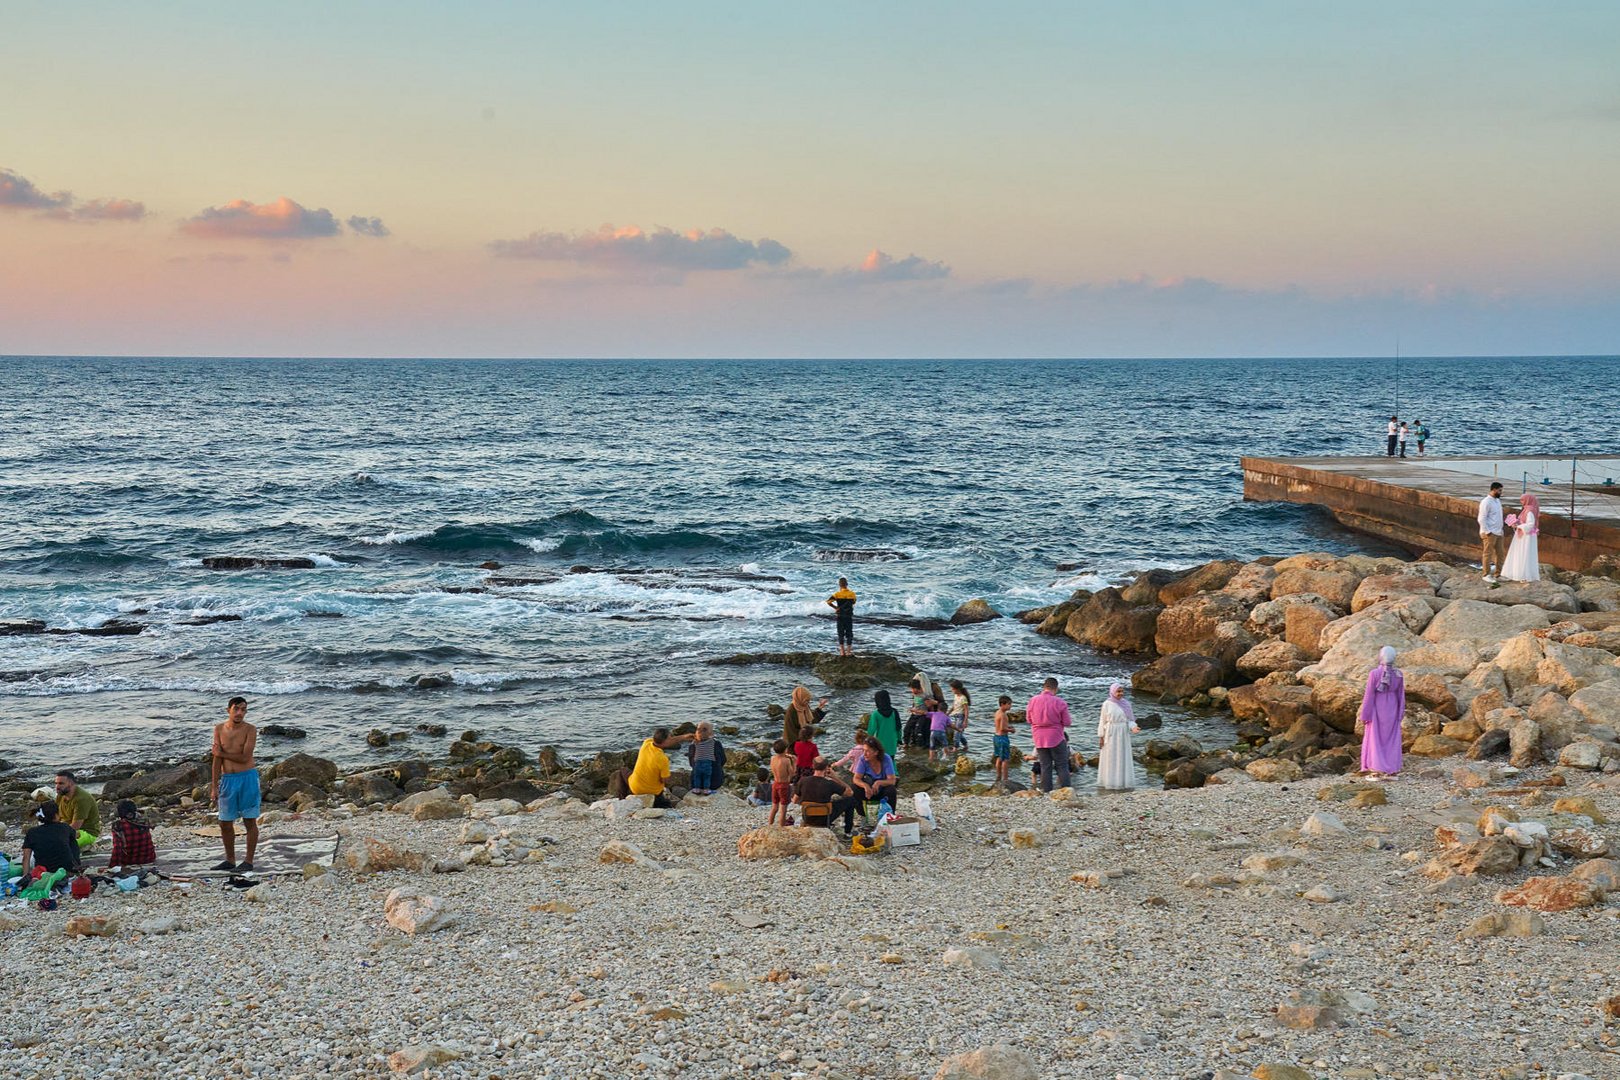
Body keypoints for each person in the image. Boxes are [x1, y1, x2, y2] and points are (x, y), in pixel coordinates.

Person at [211, 696, 260, 871]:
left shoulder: (250, 730)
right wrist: (214, 786)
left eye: (243, 709)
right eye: (236, 709)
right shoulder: (218, 729)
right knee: (224, 822)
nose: (240, 713)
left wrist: (221, 754)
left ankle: (248, 861)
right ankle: (230, 860)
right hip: (227, 781)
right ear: (228, 710)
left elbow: (245, 757)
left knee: (249, 820)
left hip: (247, 778)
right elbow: (216, 760)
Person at [1358, 646, 1405, 779]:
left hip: (1377, 707)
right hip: (1393, 707)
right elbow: (1401, 695)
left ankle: (1377, 770)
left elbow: (1369, 694)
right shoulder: (1398, 674)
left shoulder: (1374, 674)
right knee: (1391, 738)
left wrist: (1365, 714)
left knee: (1375, 738)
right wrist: (1400, 712)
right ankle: (1392, 770)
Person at [629, 726, 697, 808]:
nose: (672, 739)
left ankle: (623, 797)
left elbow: (667, 741)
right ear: (665, 742)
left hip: (634, 786)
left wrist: (683, 737)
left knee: (623, 772)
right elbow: (664, 780)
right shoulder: (662, 759)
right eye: (670, 737)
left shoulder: (646, 743)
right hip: (651, 792)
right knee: (667, 805)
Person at [1026, 677, 1073, 793]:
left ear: (1044, 686)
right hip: (1056, 737)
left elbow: (1028, 719)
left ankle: (1046, 791)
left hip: (1039, 738)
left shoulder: (1033, 700)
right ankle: (1066, 790)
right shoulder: (1060, 702)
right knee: (1062, 765)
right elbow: (1067, 722)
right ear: (1056, 689)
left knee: (1045, 766)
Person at [795, 756, 861, 837]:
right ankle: (848, 832)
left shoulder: (803, 781)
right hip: (825, 819)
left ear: (812, 766)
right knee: (851, 800)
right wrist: (834, 777)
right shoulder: (830, 784)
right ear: (826, 767)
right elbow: (850, 793)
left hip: (807, 817)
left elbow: (795, 800)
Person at [1096, 682, 1142, 791]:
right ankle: (1110, 783)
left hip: (1122, 734)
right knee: (1111, 758)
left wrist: (1133, 727)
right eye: (1118, 691)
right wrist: (1101, 737)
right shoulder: (1106, 704)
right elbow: (1102, 721)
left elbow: (1130, 720)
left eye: (1122, 691)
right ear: (1112, 692)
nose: (1120, 693)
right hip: (1110, 734)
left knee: (1122, 756)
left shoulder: (1126, 704)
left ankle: (1122, 783)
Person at [19, 802, 80, 879]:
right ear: (56, 815)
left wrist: (25, 877)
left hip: (43, 872)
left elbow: (26, 857)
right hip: (67, 871)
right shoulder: (65, 828)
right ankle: (76, 868)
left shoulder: (32, 832)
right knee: (72, 841)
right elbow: (76, 836)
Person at [54, 770, 101, 851]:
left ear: (71, 784)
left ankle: (88, 846)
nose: (57, 787)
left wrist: (58, 835)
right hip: (66, 827)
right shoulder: (61, 795)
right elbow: (56, 816)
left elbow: (75, 826)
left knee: (59, 845)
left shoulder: (81, 799)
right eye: (56, 783)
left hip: (85, 832)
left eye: (61, 783)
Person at [1501, 493, 1541, 583]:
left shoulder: (1529, 510)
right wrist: (1517, 523)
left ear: (1528, 500)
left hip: (1527, 537)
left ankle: (1524, 575)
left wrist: (1519, 526)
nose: (1521, 502)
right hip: (1524, 535)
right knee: (1522, 553)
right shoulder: (1527, 509)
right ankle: (1521, 574)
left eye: (1523, 500)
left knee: (1524, 554)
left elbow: (1530, 524)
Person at [851, 740, 898, 813]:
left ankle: (890, 815)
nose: (864, 754)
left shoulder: (886, 759)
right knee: (854, 788)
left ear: (876, 752)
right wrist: (865, 785)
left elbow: (892, 780)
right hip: (868, 792)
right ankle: (862, 815)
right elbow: (856, 778)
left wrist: (878, 783)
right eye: (863, 750)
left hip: (882, 792)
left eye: (867, 751)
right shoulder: (863, 759)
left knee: (891, 790)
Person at [109, 800, 156, 869]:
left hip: (130, 860)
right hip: (149, 858)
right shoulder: (144, 819)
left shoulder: (118, 825)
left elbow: (117, 848)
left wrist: (112, 866)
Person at [1478, 481, 1506, 582]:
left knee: (1501, 553)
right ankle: (1486, 574)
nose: (1501, 492)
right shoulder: (1486, 502)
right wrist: (1487, 531)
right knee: (1488, 554)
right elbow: (1481, 518)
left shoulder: (1497, 501)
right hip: (1489, 533)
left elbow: (1498, 517)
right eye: (1499, 490)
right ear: (1494, 490)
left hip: (1498, 532)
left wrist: (1501, 529)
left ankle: (1498, 574)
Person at [685, 722, 722, 795]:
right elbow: (723, 760)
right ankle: (707, 790)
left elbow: (691, 763)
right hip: (714, 783)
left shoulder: (694, 744)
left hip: (696, 776)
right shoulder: (715, 743)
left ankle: (697, 789)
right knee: (708, 775)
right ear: (711, 733)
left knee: (696, 774)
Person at [862, 690, 902, 757]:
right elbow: (898, 727)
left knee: (881, 761)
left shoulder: (876, 714)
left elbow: (871, 730)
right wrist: (899, 739)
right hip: (892, 742)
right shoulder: (894, 712)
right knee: (891, 760)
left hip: (880, 743)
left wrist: (867, 741)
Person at [826, 577, 858, 657]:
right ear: (847, 584)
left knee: (840, 633)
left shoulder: (837, 594)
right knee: (849, 633)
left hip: (840, 616)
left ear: (839, 585)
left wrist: (836, 608)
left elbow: (828, 602)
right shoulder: (852, 594)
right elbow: (853, 602)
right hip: (848, 616)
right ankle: (848, 652)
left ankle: (842, 652)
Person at [768, 739, 796, 826]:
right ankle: (781, 827)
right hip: (784, 785)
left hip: (775, 784)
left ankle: (770, 823)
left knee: (774, 806)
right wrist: (794, 762)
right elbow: (792, 773)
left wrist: (785, 755)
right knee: (783, 808)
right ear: (786, 749)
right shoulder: (786, 761)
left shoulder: (772, 758)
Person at [991, 695, 1013, 785]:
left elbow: (999, 726)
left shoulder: (997, 712)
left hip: (996, 737)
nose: (1010, 706)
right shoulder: (1003, 715)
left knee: (999, 758)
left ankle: (998, 776)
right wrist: (1011, 730)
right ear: (1003, 704)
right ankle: (1005, 778)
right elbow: (1002, 728)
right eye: (1009, 704)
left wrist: (1008, 727)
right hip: (1002, 738)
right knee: (1005, 759)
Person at [903, 678, 930, 747]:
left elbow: (928, 707)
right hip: (914, 714)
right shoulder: (914, 695)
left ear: (916, 688)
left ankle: (919, 745)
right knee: (906, 729)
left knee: (918, 731)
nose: (911, 690)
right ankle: (906, 743)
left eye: (912, 688)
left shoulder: (924, 696)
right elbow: (915, 704)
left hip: (922, 715)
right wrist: (912, 710)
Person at [947, 680, 971, 752]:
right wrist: (947, 713)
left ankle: (955, 748)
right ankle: (966, 745)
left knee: (957, 733)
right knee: (959, 732)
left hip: (961, 717)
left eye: (953, 688)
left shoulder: (963, 698)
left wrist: (965, 720)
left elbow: (966, 710)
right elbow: (954, 706)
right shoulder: (956, 696)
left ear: (957, 689)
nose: (951, 690)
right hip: (955, 716)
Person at [927, 698, 951, 762]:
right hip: (941, 733)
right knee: (945, 745)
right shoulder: (946, 716)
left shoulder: (934, 713)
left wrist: (914, 710)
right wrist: (958, 729)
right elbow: (951, 725)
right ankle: (947, 759)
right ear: (946, 710)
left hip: (932, 733)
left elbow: (924, 713)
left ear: (938, 709)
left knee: (932, 747)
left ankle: (931, 760)